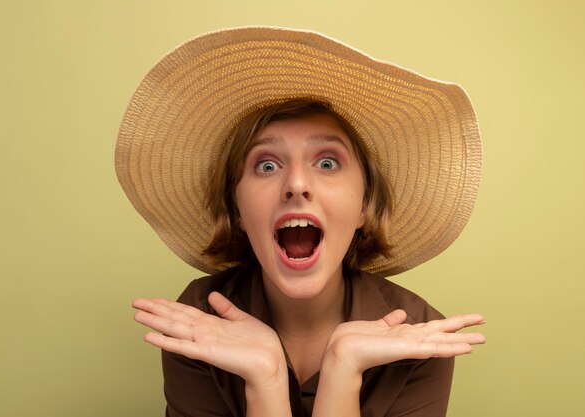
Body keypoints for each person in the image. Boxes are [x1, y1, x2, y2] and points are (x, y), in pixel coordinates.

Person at [115, 27, 485, 417]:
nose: (295, 184)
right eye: (267, 165)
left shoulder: (420, 337)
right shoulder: (198, 319)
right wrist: (266, 377)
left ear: (364, 206)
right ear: (237, 211)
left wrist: (344, 366)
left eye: (327, 162)